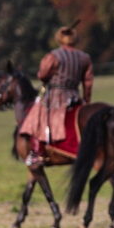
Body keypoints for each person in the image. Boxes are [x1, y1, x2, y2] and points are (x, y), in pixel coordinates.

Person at [19, 24, 93, 167]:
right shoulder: (84, 57)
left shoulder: (54, 56)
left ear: (59, 39)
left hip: (56, 96)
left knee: (35, 117)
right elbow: (88, 82)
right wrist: (86, 101)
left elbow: (42, 75)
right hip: (75, 96)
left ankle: (36, 153)